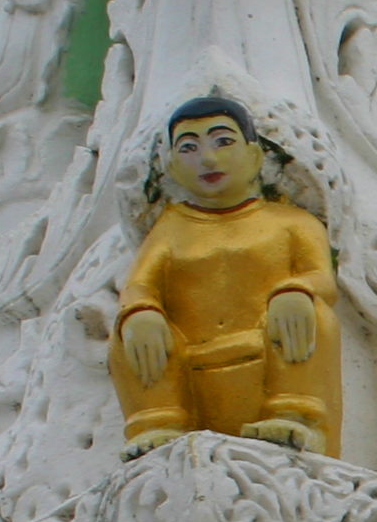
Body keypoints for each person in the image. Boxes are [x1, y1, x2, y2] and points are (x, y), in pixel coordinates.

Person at [110, 96, 343, 458]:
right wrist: (139, 310)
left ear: (255, 155)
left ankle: (297, 417)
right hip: (191, 362)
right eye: (189, 147)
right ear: (171, 165)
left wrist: (298, 289)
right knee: (132, 328)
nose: (207, 159)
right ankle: (158, 425)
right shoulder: (171, 229)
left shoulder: (291, 222)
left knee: (313, 313)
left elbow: (323, 280)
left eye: (223, 141)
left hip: (271, 350)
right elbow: (140, 285)